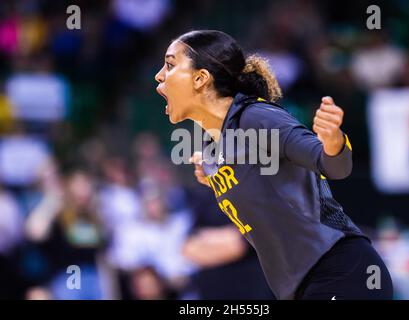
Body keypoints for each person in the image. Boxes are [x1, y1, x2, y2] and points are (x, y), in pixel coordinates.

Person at [154, 30, 393, 300]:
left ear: (200, 78)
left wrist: (333, 141)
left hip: (341, 270)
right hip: (303, 288)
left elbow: (334, 166)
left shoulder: (256, 117)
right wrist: (213, 171)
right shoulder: (213, 150)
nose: (159, 76)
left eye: (170, 65)